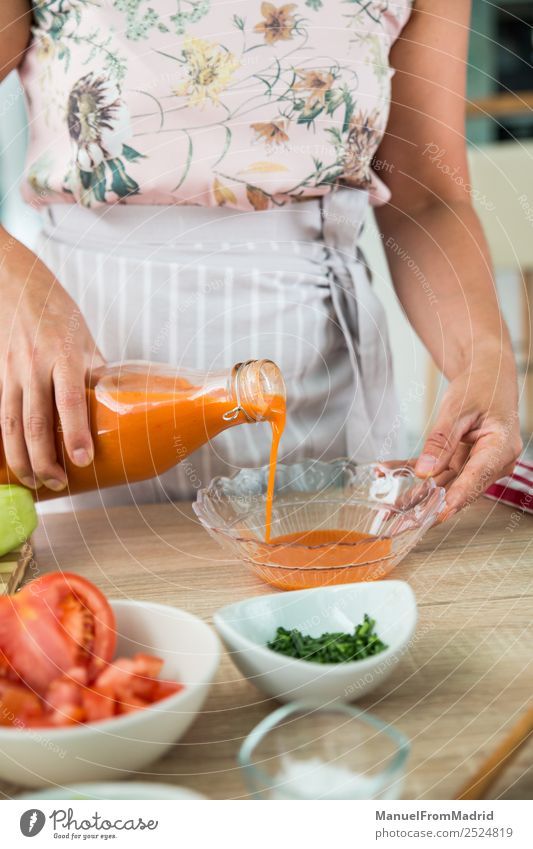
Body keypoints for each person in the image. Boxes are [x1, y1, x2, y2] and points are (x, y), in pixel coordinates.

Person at [0, 1, 522, 513]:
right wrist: (15, 281)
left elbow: (427, 199)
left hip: (314, 370)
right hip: (85, 364)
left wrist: (485, 357)